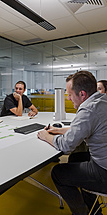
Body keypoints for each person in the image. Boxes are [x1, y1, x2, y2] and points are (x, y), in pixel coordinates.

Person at [37, 71, 107, 215]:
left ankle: (81, 213)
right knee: (76, 158)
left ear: (82, 94)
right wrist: (60, 130)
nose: (68, 98)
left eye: (70, 94)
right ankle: (94, 209)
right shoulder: (102, 101)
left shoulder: (88, 110)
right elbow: (87, 128)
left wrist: (46, 136)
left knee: (58, 173)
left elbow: (66, 146)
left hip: (104, 172)